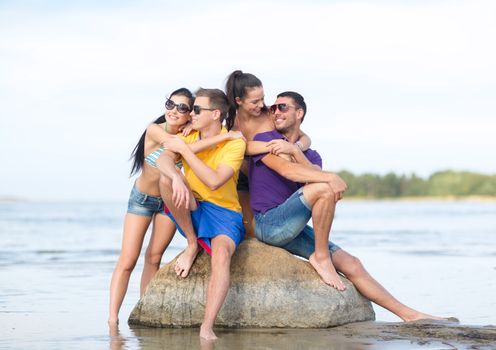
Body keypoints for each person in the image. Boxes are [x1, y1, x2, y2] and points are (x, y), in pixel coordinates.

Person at [249, 91, 444, 321]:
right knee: (324, 187)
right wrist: (328, 177)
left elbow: (314, 176)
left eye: (282, 107)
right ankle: (321, 257)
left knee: (352, 263)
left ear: (299, 113)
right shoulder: (266, 141)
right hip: (268, 224)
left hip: (293, 228)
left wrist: (296, 150)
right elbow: (287, 171)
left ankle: (411, 315)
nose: (275, 112)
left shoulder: (311, 154)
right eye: (273, 108)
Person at [108, 88, 242, 326]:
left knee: (154, 257)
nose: (173, 111)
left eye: (183, 108)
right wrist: (222, 138)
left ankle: (145, 307)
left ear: (190, 114)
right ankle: (111, 321)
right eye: (170, 104)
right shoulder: (156, 129)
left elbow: (184, 151)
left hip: (168, 201)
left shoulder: (189, 133)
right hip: (143, 198)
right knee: (128, 260)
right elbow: (170, 153)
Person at [155, 88, 246, 340]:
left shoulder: (235, 142)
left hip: (225, 213)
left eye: (197, 109)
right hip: (194, 206)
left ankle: (207, 326)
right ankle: (192, 243)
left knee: (221, 254)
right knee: (165, 180)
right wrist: (175, 175)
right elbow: (162, 160)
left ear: (216, 114)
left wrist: (184, 152)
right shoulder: (190, 134)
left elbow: (215, 181)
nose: (191, 114)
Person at [224, 70, 311, 238]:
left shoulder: (270, 114)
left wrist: (295, 147)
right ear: (239, 101)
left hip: (270, 178)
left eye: (263, 98)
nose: (261, 104)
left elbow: (306, 137)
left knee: (266, 229)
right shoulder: (232, 124)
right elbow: (242, 147)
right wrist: (271, 146)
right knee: (250, 232)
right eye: (255, 101)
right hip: (243, 179)